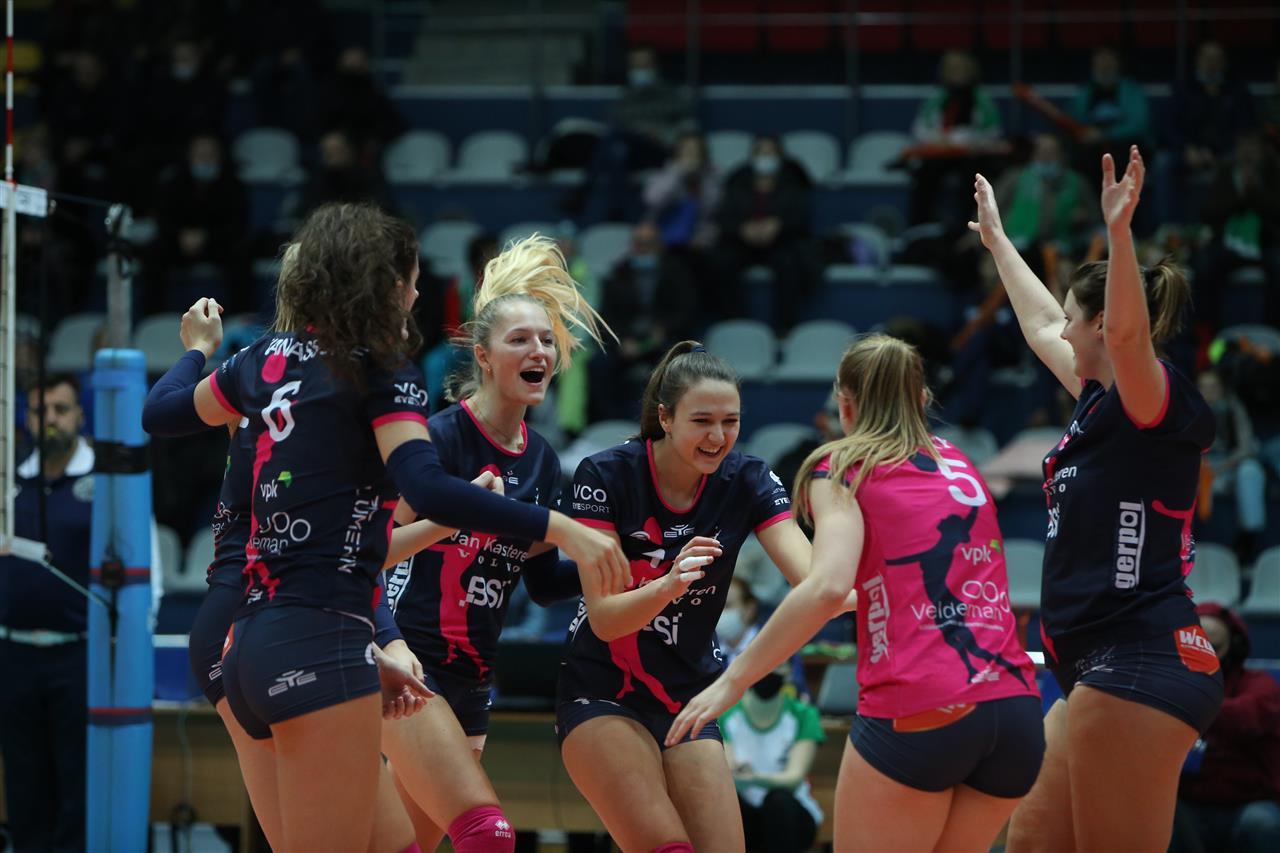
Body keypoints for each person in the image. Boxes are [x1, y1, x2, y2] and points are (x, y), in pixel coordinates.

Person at [141, 202, 628, 851]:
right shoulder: (380, 369)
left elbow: (160, 413)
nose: (418, 295)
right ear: (379, 282)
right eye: (410, 280)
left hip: (252, 641)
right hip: (321, 638)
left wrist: (199, 352)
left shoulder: (263, 359)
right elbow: (424, 490)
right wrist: (563, 527)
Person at [669, 333, 1043, 852]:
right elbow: (913, 581)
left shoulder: (843, 464)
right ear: (922, 400)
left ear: (844, 405)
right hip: (1015, 713)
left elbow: (826, 587)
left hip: (923, 709)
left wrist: (732, 682)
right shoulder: (959, 462)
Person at [969, 147, 1226, 852]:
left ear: (1102, 327)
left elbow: (1127, 333)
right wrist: (998, 242)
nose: (1064, 330)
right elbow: (1037, 324)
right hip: (1091, 664)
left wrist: (1118, 232)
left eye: (1075, 320)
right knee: (1030, 842)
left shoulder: (1150, 399)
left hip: (1141, 655)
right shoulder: (1095, 400)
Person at [380, 234, 613, 850]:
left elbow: (543, 583)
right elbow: (372, 548)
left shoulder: (542, 461)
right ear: (482, 356)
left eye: (546, 340)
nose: (539, 351)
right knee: (490, 835)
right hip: (411, 661)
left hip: (474, 675)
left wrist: (629, 561)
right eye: (519, 340)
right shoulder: (438, 439)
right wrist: (454, 519)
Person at [557, 341, 815, 852]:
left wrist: (875, 588)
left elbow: (815, 582)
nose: (718, 437)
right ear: (665, 418)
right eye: (702, 421)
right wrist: (670, 582)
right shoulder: (605, 474)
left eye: (730, 421)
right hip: (603, 689)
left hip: (689, 696)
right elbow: (605, 619)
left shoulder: (748, 478)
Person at [0, 374, 95, 853]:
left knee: (75, 783)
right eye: (40, 411)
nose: (50, 420)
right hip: (14, 654)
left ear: (80, 415)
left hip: (77, 656)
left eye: (60, 409)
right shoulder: (10, 482)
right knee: (23, 783)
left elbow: (145, 571)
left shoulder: (107, 481)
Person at [1172, 603, 1280, 853]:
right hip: (1188, 804)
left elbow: (1246, 717)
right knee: (1154, 818)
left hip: (1247, 803)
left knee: (1262, 823)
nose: (1206, 651)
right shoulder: (1172, 684)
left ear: (1234, 645)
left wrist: (1188, 698)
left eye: (1214, 646)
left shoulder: (1259, 684)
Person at [589, 221, 697, 421]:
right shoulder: (618, 273)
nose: (643, 248)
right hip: (626, 341)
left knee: (676, 365)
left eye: (648, 243)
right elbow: (605, 318)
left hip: (663, 339)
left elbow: (685, 311)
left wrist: (664, 329)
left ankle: (665, 422)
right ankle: (611, 422)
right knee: (598, 365)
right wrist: (622, 341)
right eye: (639, 243)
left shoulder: (676, 272)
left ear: (659, 246)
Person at [714, 135, 816, 333]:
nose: (765, 157)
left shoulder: (793, 182)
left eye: (771, 152)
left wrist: (779, 225)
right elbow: (724, 218)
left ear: (780, 157)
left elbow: (801, 218)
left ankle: (783, 328)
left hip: (780, 241)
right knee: (723, 262)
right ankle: (734, 323)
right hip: (743, 241)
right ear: (752, 156)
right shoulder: (738, 182)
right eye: (761, 152)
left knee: (789, 263)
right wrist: (742, 228)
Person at [720, 661, 825, 853]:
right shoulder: (725, 715)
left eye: (778, 666)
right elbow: (727, 772)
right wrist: (738, 773)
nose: (769, 671)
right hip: (747, 815)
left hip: (791, 814)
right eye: (764, 665)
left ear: (789, 672)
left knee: (778, 800)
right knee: (728, 804)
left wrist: (755, 778)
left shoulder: (804, 714)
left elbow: (793, 778)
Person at [908, 50, 1005, 227]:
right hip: (940, 154)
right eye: (953, 68)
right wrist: (938, 139)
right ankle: (920, 228)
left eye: (962, 68)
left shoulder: (982, 99)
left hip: (971, 156)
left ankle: (969, 228)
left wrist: (972, 141)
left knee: (974, 179)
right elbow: (920, 128)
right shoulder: (937, 98)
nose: (957, 72)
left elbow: (993, 131)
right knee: (924, 175)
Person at [1197, 370, 1268, 566]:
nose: (1209, 392)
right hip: (1197, 467)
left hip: (1229, 466)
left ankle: (1249, 539)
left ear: (1221, 389)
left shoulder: (1233, 407)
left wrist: (1220, 468)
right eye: (1204, 387)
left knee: (1250, 471)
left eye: (1214, 387)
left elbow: (1246, 446)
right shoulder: (1189, 408)